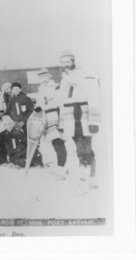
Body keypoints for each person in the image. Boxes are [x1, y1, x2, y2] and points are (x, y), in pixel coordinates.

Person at [58, 51, 101, 187]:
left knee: (87, 146)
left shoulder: (84, 75)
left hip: (83, 114)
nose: (65, 65)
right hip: (70, 116)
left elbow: (94, 97)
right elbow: (61, 101)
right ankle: (83, 173)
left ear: (73, 61)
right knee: (77, 145)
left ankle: (93, 176)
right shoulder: (64, 78)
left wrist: (94, 120)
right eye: (63, 62)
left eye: (68, 62)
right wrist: (62, 122)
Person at [34, 68, 67, 168]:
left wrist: (61, 122)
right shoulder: (40, 90)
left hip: (55, 117)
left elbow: (61, 103)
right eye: (40, 77)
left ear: (49, 76)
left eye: (44, 76)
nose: (43, 79)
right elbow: (39, 105)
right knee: (49, 142)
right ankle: (55, 163)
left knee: (58, 142)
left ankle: (62, 166)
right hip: (45, 118)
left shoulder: (55, 87)